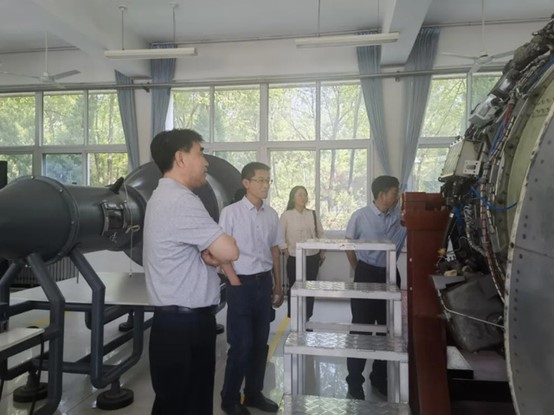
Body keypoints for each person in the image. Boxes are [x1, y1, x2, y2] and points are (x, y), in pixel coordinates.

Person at [143, 129, 239, 415]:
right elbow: (230, 251)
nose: (206, 162)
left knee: (175, 404)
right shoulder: (182, 200)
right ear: (180, 158)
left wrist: (207, 255)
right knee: (188, 405)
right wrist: (219, 251)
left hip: (174, 324)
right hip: (185, 329)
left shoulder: (161, 196)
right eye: (200, 153)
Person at [219, 162, 284, 415]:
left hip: (263, 284)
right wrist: (234, 281)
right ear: (246, 183)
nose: (266, 185)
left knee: (260, 343)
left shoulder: (271, 214)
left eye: (268, 180)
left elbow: (275, 250)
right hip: (240, 285)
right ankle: (229, 398)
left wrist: (278, 284)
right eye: (261, 180)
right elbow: (221, 251)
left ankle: (253, 394)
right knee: (241, 344)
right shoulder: (231, 213)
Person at [344, 175, 406, 401]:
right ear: (382, 194)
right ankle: (354, 381)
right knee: (361, 327)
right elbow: (348, 244)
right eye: (395, 193)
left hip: (390, 275)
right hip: (366, 273)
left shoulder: (400, 217)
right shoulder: (360, 216)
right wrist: (358, 269)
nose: (397, 197)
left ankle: (379, 377)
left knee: (388, 329)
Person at [280, 185, 325, 322]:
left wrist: (322, 252)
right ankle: (295, 320)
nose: (303, 197)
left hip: (312, 257)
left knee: (310, 289)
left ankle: (307, 318)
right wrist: (286, 252)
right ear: (293, 198)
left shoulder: (312, 214)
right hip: (294, 257)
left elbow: (321, 234)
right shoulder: (286, 215)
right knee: (295, 288)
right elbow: (280, 237)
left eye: (305, 195)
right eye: (299, 194)